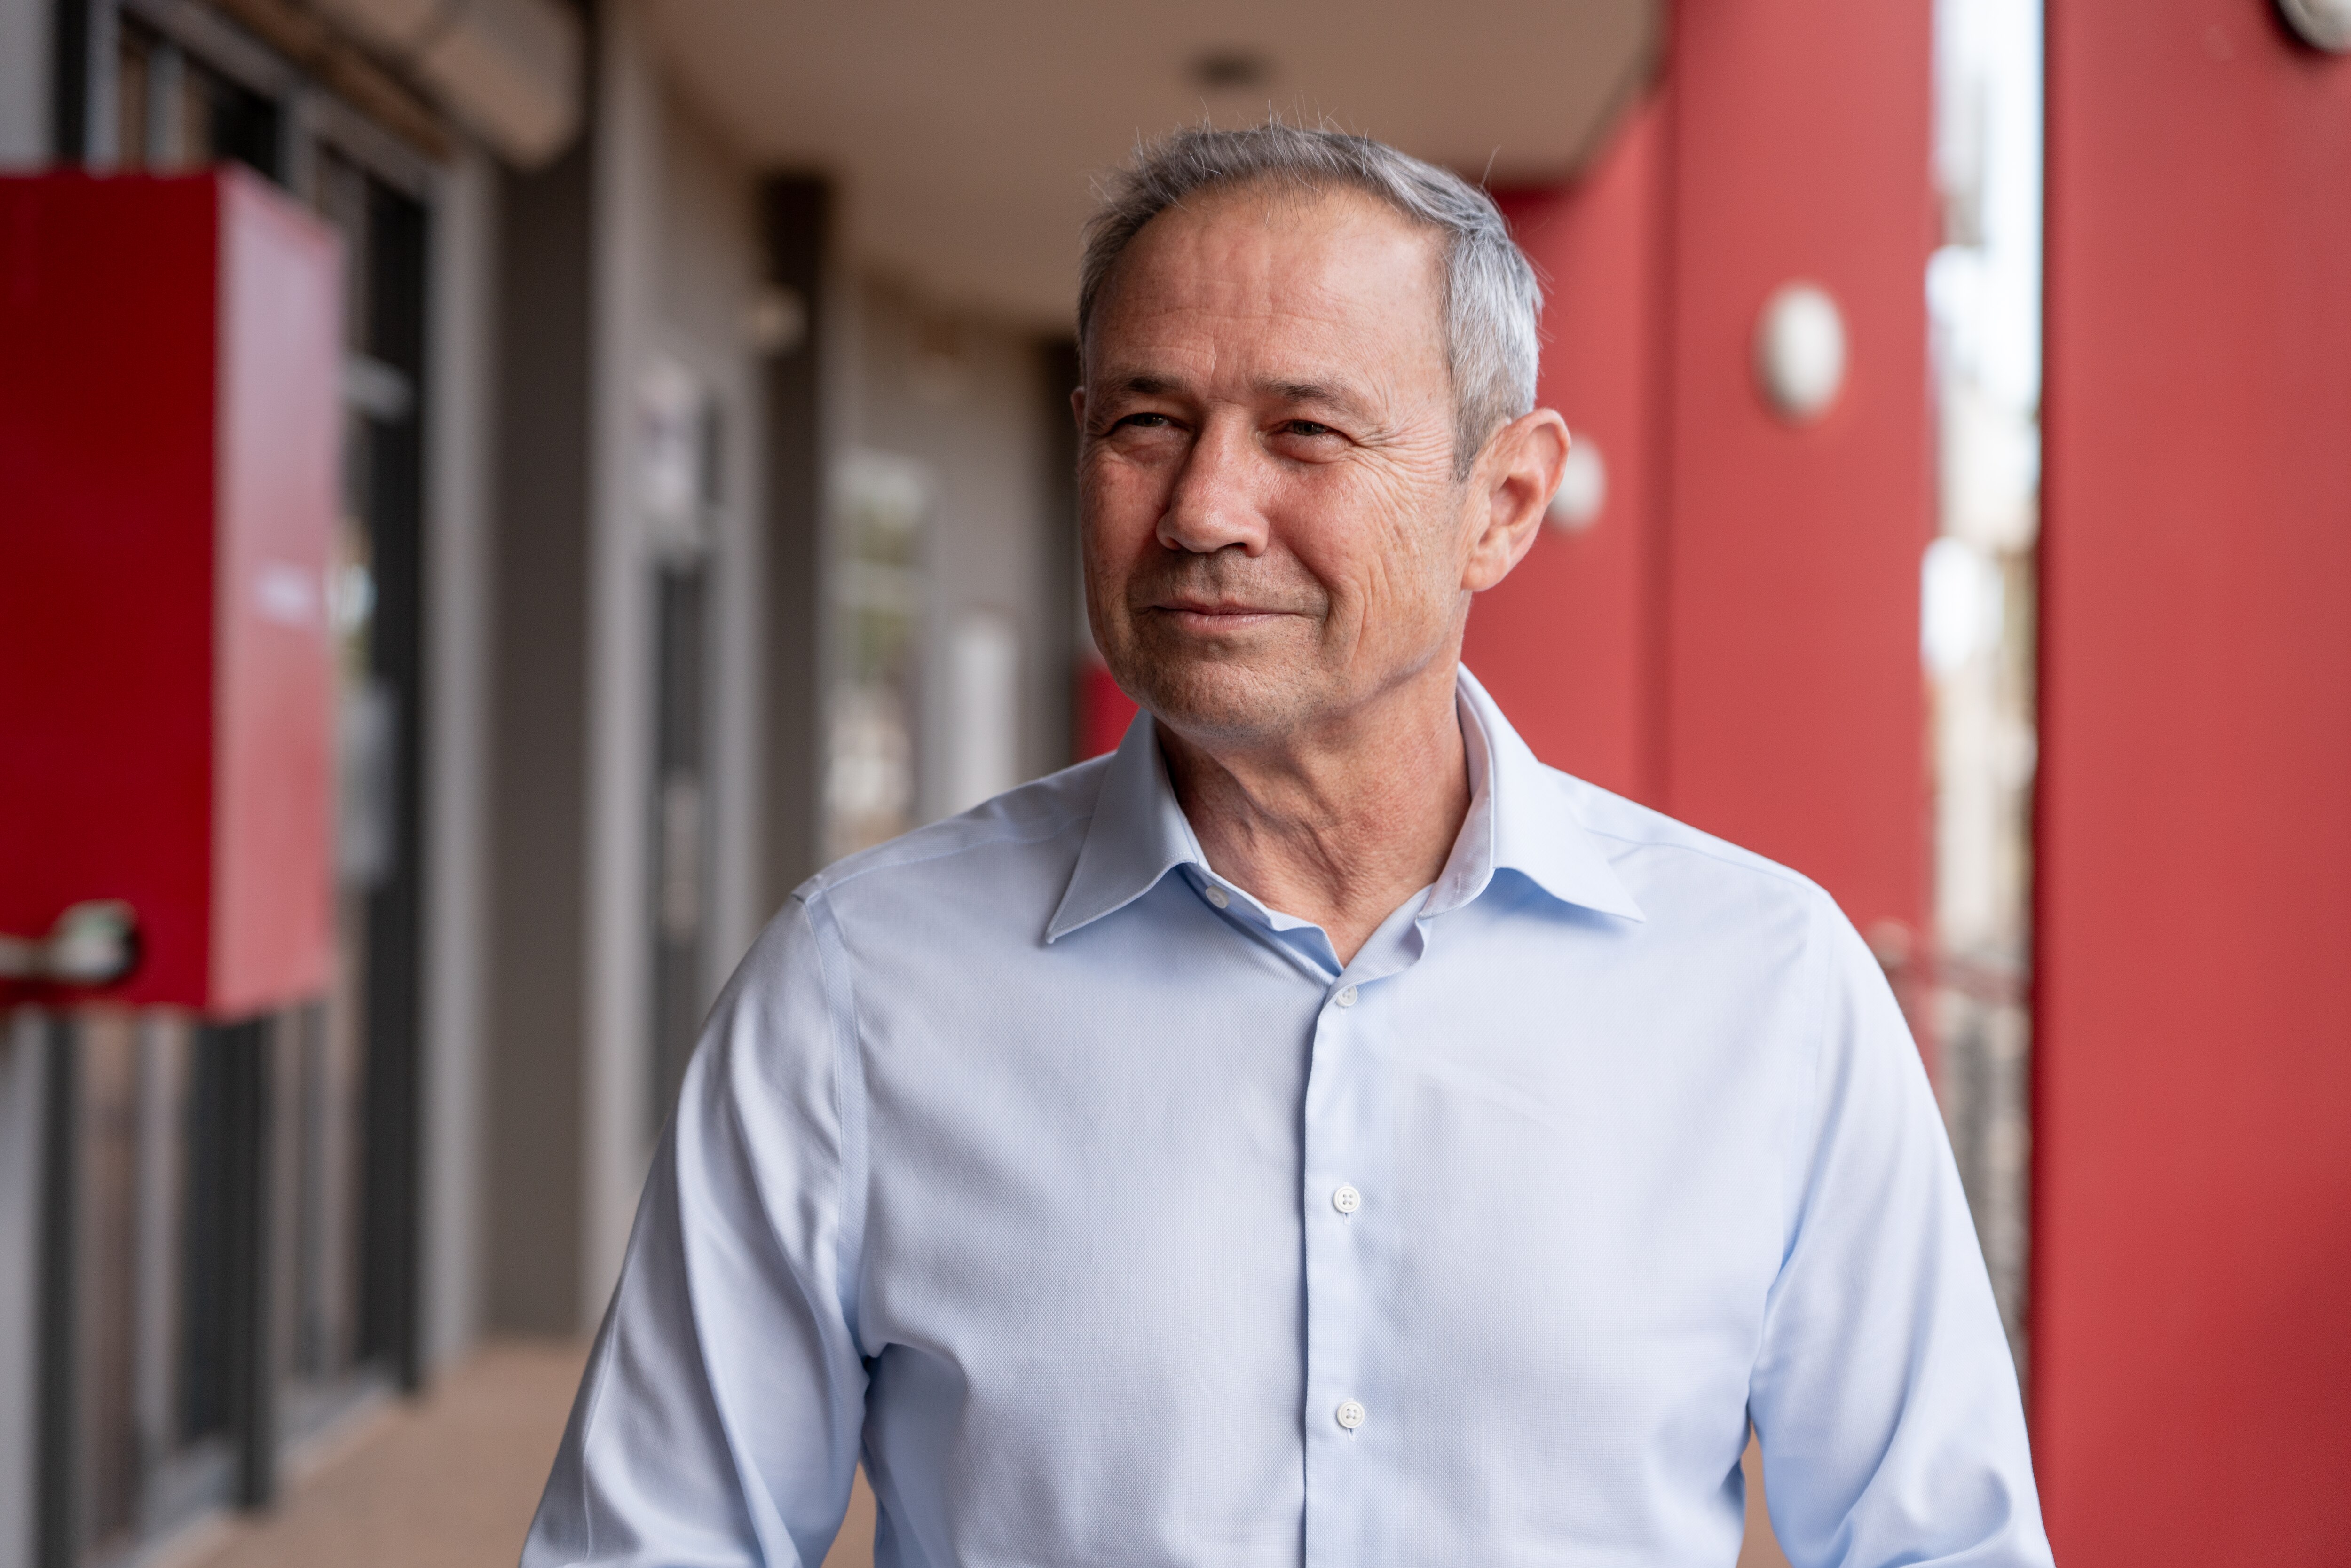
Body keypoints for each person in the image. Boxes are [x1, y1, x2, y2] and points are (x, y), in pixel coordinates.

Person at [521, 123, 2051, 1568]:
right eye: (1146, 424)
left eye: (1305, 431)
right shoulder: (858, 988)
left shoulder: (1768, 993)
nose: (1202, 511)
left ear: (1504, 502)